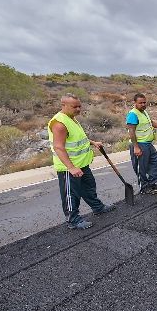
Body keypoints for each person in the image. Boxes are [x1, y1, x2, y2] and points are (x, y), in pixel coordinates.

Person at [48, 94, 116, 230]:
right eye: (75, 107)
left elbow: (76, 138)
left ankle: (98, 207)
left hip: (82, 164)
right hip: (69, 167)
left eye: (79, 106)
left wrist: (92, 142)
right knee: (71, 194)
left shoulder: (71, 119)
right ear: (64, 105)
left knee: (89, 187)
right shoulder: (59, 123)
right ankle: (73, 220)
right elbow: (58, 147)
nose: (78, 109)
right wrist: (71, 167)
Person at [126, 93, 157, 194]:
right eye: (140, 103)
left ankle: (151, 183)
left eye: (144, 102)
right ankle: (144, 187)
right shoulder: (133, 114)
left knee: (156, 163)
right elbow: (131, 131)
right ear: (135, 103)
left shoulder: (144, 112)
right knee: (141, 168)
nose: (143, 104)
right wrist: (136, 147)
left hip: (148, 144)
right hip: (139, 144)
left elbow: (151, 122)